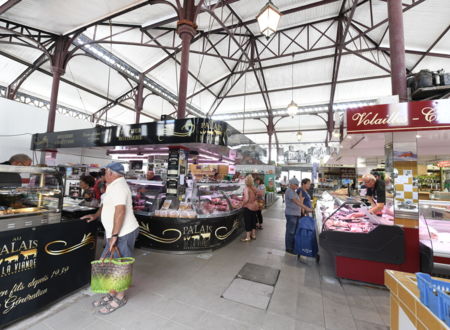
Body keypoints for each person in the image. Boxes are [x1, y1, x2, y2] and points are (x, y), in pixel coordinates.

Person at [81, 162, 139, 314]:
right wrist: (95, 215)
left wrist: (114, 235)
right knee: (110, 263)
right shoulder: (112, 185)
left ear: (111, 173)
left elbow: (120, 211)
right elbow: (106, 205)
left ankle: (120, 297)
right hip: (114, 232)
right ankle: (112, 293)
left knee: (119, 265)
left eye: (105, 172)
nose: (103, 175)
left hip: (122, 233)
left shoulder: (119, 186)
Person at [284, 177, 306, 254]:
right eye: (296, 185)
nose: (297, 186)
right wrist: (306, 208)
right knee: (290, 232)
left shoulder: (293, 191)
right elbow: (296, 202)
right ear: (291, 184)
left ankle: (292, 247)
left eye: (297, 185)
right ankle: (289, 248)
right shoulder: (289, 191)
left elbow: (299, 200)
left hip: (295, 214)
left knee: (294, 232)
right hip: (291, 214)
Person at [241, 175, 259, 242]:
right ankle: (253, 235)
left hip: (248, 207)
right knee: (253, 221)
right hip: (254, 207)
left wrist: (242, 204)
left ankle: (248, 237)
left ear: (246, 181)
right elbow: (256, 197)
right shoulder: (254, 188)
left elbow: (246, 199)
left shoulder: (246, 188)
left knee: (248, 222)